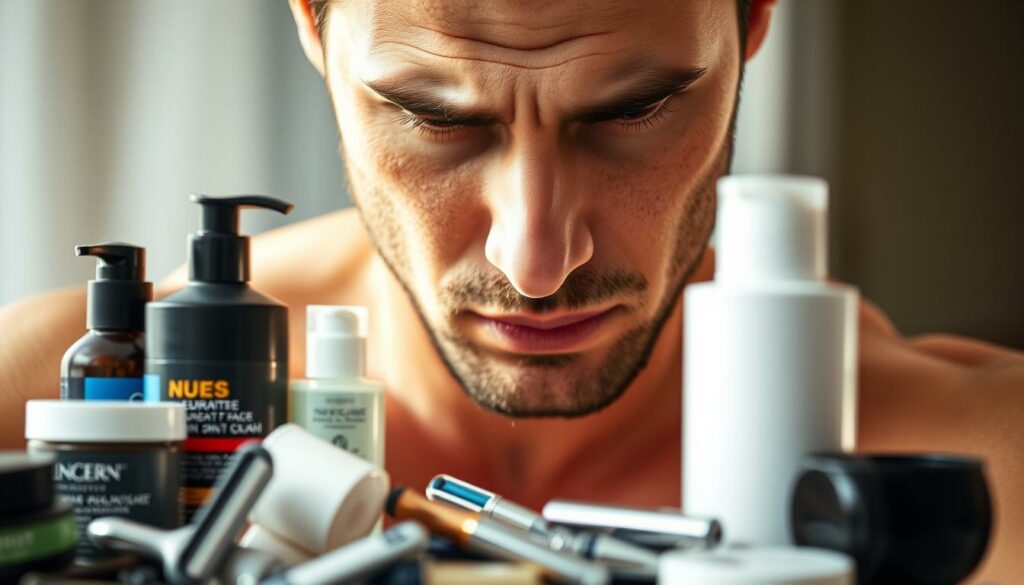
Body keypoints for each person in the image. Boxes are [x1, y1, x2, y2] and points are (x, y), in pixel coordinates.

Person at [0, 0, 1021, 578]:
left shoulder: (983, 482)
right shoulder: (48, 413)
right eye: (436, 117)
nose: (536, 264)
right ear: (312, 24)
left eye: (632, 112)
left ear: (752, 22)